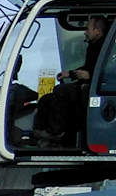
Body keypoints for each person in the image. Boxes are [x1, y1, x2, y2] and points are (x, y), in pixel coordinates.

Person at [33, 15, 108, 147]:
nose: (85, 32)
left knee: (60, 91)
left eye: (87, 28)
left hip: (94, 89)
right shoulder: (92, 47)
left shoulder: (108, 49)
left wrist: (90, 75)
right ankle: (40, 133)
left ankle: (56, 133)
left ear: (97, 30)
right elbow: (87, 68)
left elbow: (108, 71)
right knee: (46, 99)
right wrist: (70, 73)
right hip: (85, 86)